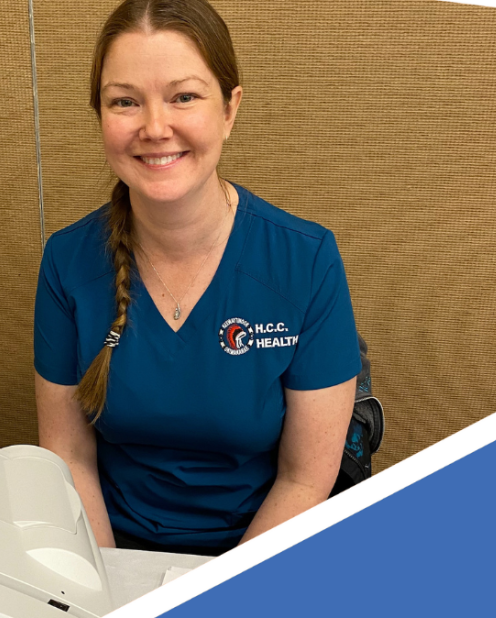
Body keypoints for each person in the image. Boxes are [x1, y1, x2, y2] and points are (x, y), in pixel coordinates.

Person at [34, 0, 361, 557]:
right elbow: (69, 457)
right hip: (110, 550)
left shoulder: (305, 261)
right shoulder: (67, 261)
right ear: (100, 116)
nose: (155, 127)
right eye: (125, 102)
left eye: (184, 96)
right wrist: (110, 586)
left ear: (230, 110)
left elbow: (305, 480)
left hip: (261, 550)